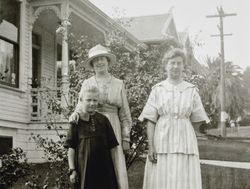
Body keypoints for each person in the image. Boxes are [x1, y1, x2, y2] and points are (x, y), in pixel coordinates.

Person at [138, 48, 210, 189]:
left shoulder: (191, 90)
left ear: (184, 66)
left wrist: (193, 132)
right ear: (166, 65)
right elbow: (151, 120)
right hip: (162, 139)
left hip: (185, 140)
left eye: (179, 63)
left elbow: (198, 120)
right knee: (162, 178)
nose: (176, 66)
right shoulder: (158, 89)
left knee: (184, 177)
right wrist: (151, 146)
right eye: (172, 63)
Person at [69, 44, 132, 189]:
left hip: (113, 128)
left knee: (115, 165)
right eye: (95, 60)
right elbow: (80, 105)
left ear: (108, 61)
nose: (99, 62)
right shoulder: (87, 83)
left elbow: (124, 114)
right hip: (91, 128)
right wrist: (75, 114)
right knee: (93, 167)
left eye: (102, 58)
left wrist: (126, 138)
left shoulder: (118, 84)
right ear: (92, 64)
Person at [64, 86, 119, 189]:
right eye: (88, 100)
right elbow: (71, 148)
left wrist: (114, 169)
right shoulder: (76, 121)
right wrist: (72, 170)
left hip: (104, 169)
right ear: (81, 100)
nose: (92, 103)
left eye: (95, 100)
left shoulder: (103, 120)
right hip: (84, 168)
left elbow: (112, 147)